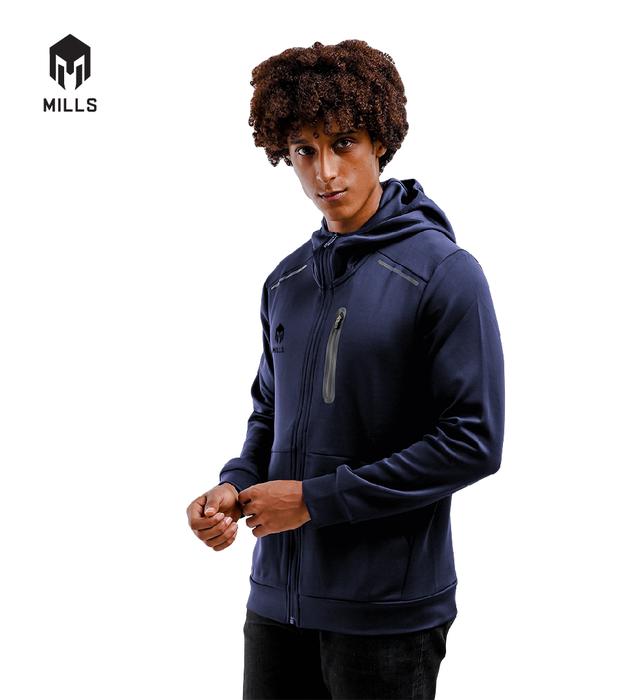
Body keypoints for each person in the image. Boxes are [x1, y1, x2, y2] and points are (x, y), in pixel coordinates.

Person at [186, 39, 506, 699]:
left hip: (387, 613)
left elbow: (474, 440)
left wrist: (314, 500)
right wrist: (234, 486)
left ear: (380, 142)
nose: (325, 172)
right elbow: (269, 416)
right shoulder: (287, 282)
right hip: (277, 605)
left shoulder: (444, 274)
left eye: (344, 143)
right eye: (304, 150)